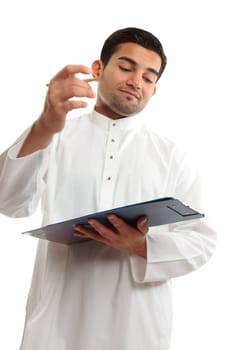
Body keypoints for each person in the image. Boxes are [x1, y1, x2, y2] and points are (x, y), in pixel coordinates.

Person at [0, 27, 216, 350]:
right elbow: (9, 200)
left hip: (136, 331)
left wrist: (142, 245)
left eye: (148, 77)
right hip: (55, 328)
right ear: (98, 69)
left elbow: (202, 241)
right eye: (126, 68)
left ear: (154, 90)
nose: (135, 82)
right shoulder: (54, 135)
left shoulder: (171, 156)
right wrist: (45, 124)